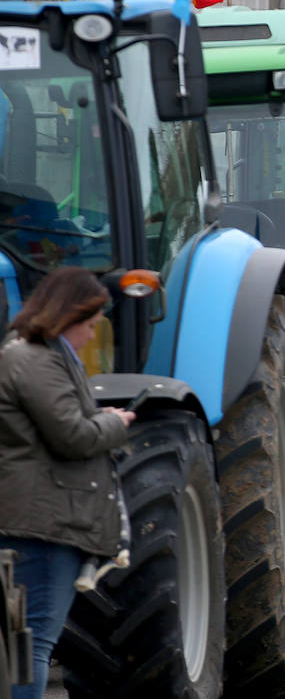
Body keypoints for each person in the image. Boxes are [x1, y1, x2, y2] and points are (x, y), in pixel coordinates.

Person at [0, 267, 135, 699]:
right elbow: (72, 436)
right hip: (44, 524)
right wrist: (114, 423)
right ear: (69, 316)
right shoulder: (35, 360)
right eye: (91, 326)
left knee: (23, 643)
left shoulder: (28, 356)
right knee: (33, 642)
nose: (91, 337)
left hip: (37, 518)